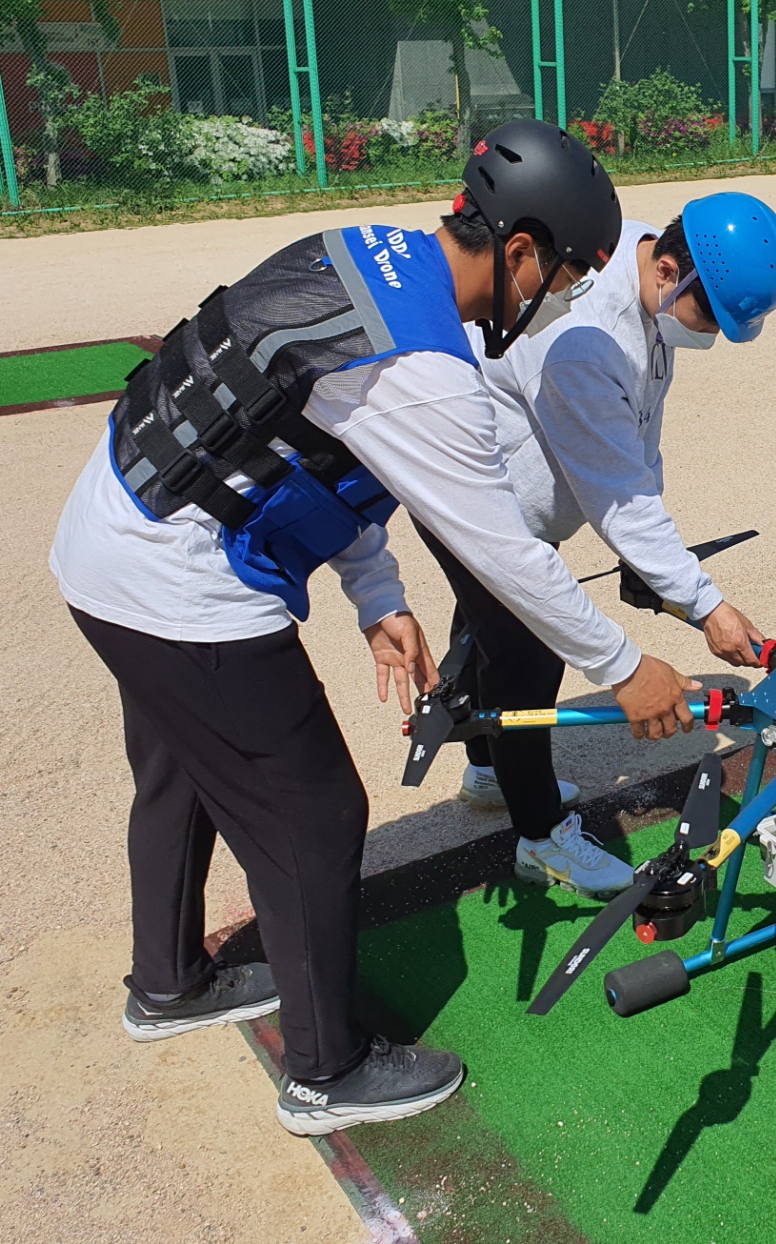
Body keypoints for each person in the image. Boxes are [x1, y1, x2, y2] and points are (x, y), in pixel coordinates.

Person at [49, 119, 701, 1137]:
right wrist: (623, 666)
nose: (558, 303)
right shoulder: (428, 364)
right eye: (564, 281)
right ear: (520, 251)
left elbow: (311, 434)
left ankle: (169, 985)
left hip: (112, 531)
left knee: (182, 767)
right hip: (176, 586)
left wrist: (376, 599)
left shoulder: (368, 254)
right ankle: (326, 1073)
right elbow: (502, 550)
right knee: (313, 811)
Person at [423, 193, 776, 896]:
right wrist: (706, 605)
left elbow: (637, 437)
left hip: (504, 500)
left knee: (491, 625)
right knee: (532, 651)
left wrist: (653, 570)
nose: (712, 333)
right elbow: (615, 494)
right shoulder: (586, 337)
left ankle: (485, 764)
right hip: (474, 499)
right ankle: (540, 839)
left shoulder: (646, 280)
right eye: (709, 313)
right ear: (668, 270)